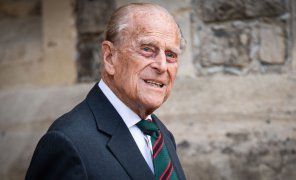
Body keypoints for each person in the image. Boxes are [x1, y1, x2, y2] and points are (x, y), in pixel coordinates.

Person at [25, 3, 186, 180]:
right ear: (109, 58)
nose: (162, 66)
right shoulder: (67, 142)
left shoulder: (161, 135)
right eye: (147, 49)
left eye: (171, 54)